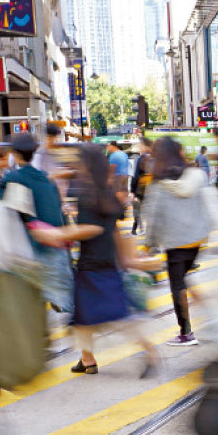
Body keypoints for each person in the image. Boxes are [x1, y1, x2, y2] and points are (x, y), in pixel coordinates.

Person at [67, 145, 161, 376]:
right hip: (108, 262)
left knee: (96, 317)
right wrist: (127, 259)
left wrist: (61, 234)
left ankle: (148, 353)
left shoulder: (86, 195)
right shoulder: (107, 194)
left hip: (90, 263)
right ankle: (87, 359)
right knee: (91, 316)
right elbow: (115, 230)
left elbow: (90, 229)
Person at [143, 137, 213, 347]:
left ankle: (186, 332)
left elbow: (153, 216)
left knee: (178, 286)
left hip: (176, 242)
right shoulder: (197, 175)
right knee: (184, 280)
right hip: (196, 240)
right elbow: (205, 204)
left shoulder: (157, 183)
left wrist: (149, 244)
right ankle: (209, 315)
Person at [0, 133, 73, 316]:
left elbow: (5, 213)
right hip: (54, 248)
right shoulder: (47, 179)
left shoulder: (13, 178)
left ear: (13, 153)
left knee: (32, 303)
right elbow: (58, 214)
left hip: (28, 251)